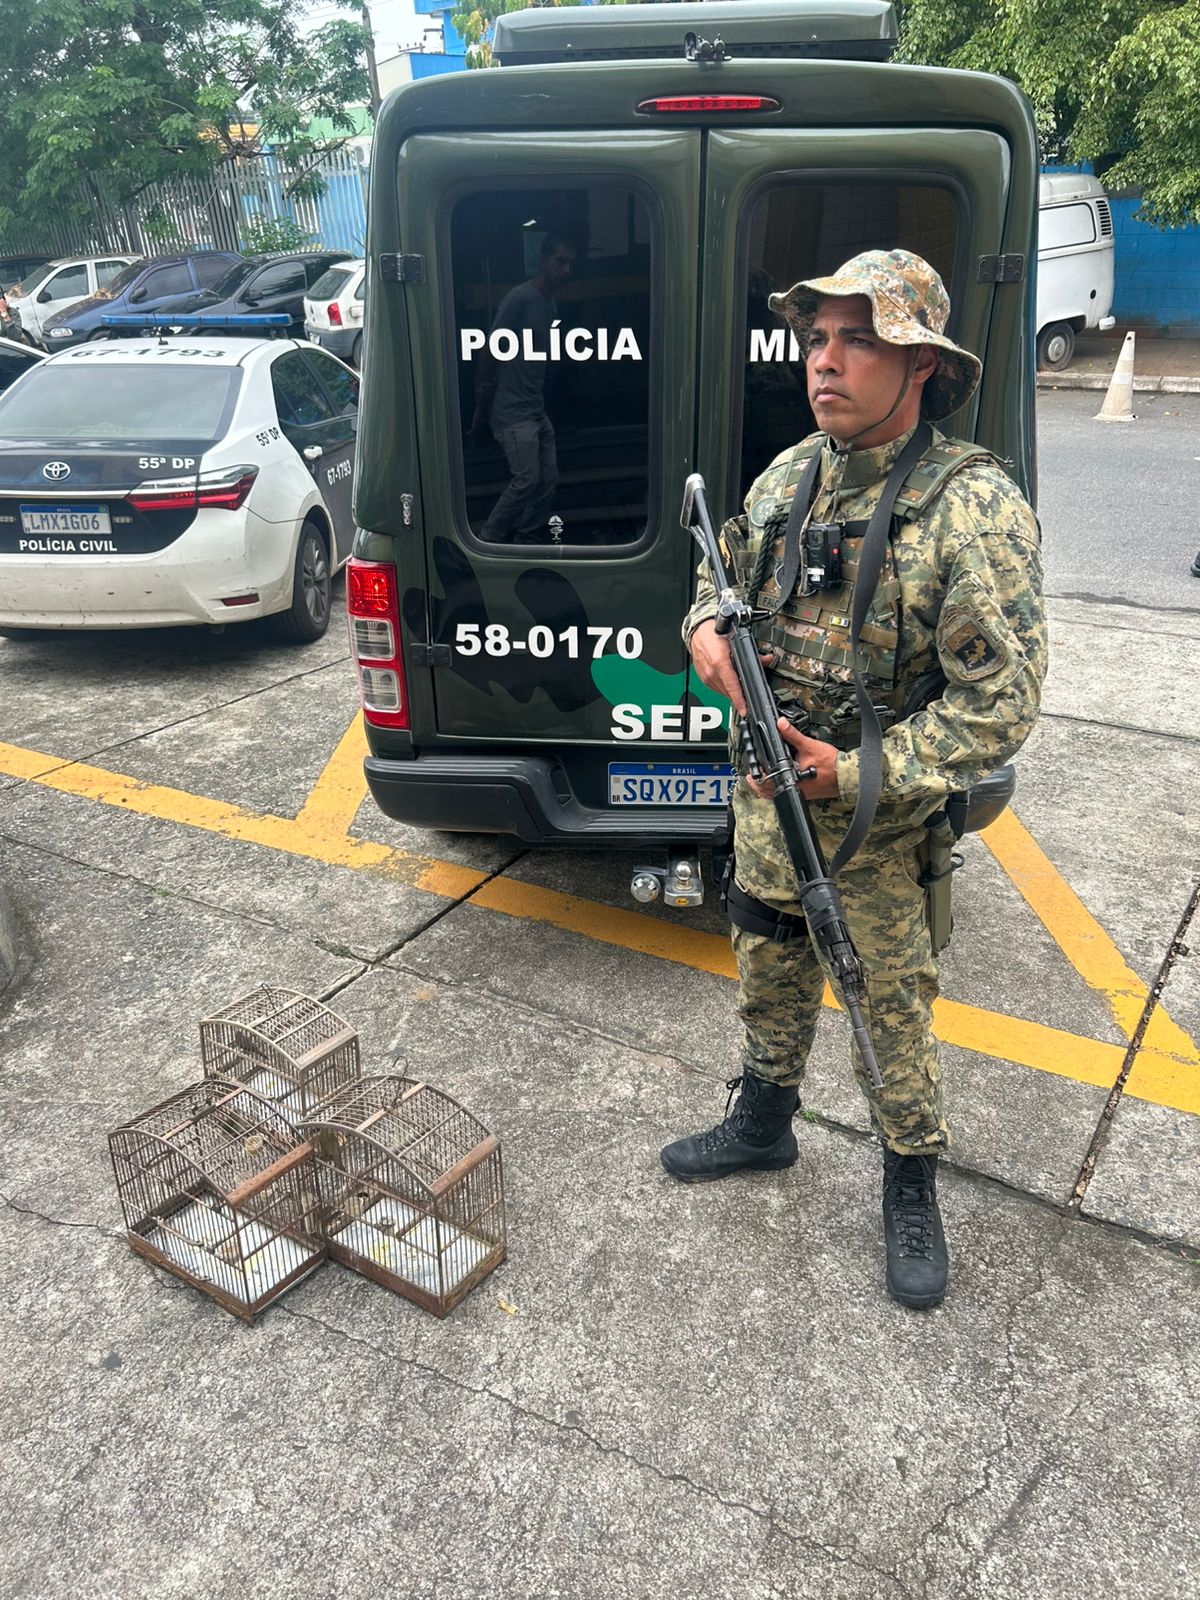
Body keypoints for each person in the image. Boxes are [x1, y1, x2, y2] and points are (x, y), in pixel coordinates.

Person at [661, 248, 1048, 1310]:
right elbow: (716, 573)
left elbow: (1001, 703)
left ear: (920, 363)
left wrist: (865, 769)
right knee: (767, 962)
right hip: (765, 802)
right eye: (816, 337)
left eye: (857, 338)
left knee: (891, 1014)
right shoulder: (788, 477)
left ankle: (910, 1176)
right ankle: (764, 1121)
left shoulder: (970, 508)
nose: (824, 361)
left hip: (877, 831)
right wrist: (704, 631)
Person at [473, 233, 576, 544]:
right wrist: (481, 405)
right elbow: (491, 347)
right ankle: (488, 537)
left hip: (535, 409)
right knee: (526, 480)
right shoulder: (518, 299)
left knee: (549, 479)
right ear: (543, 261)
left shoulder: (551, 305)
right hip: (511, 411)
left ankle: (527, 536)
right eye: (560, 261)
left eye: (571, 263)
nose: (566, 269)